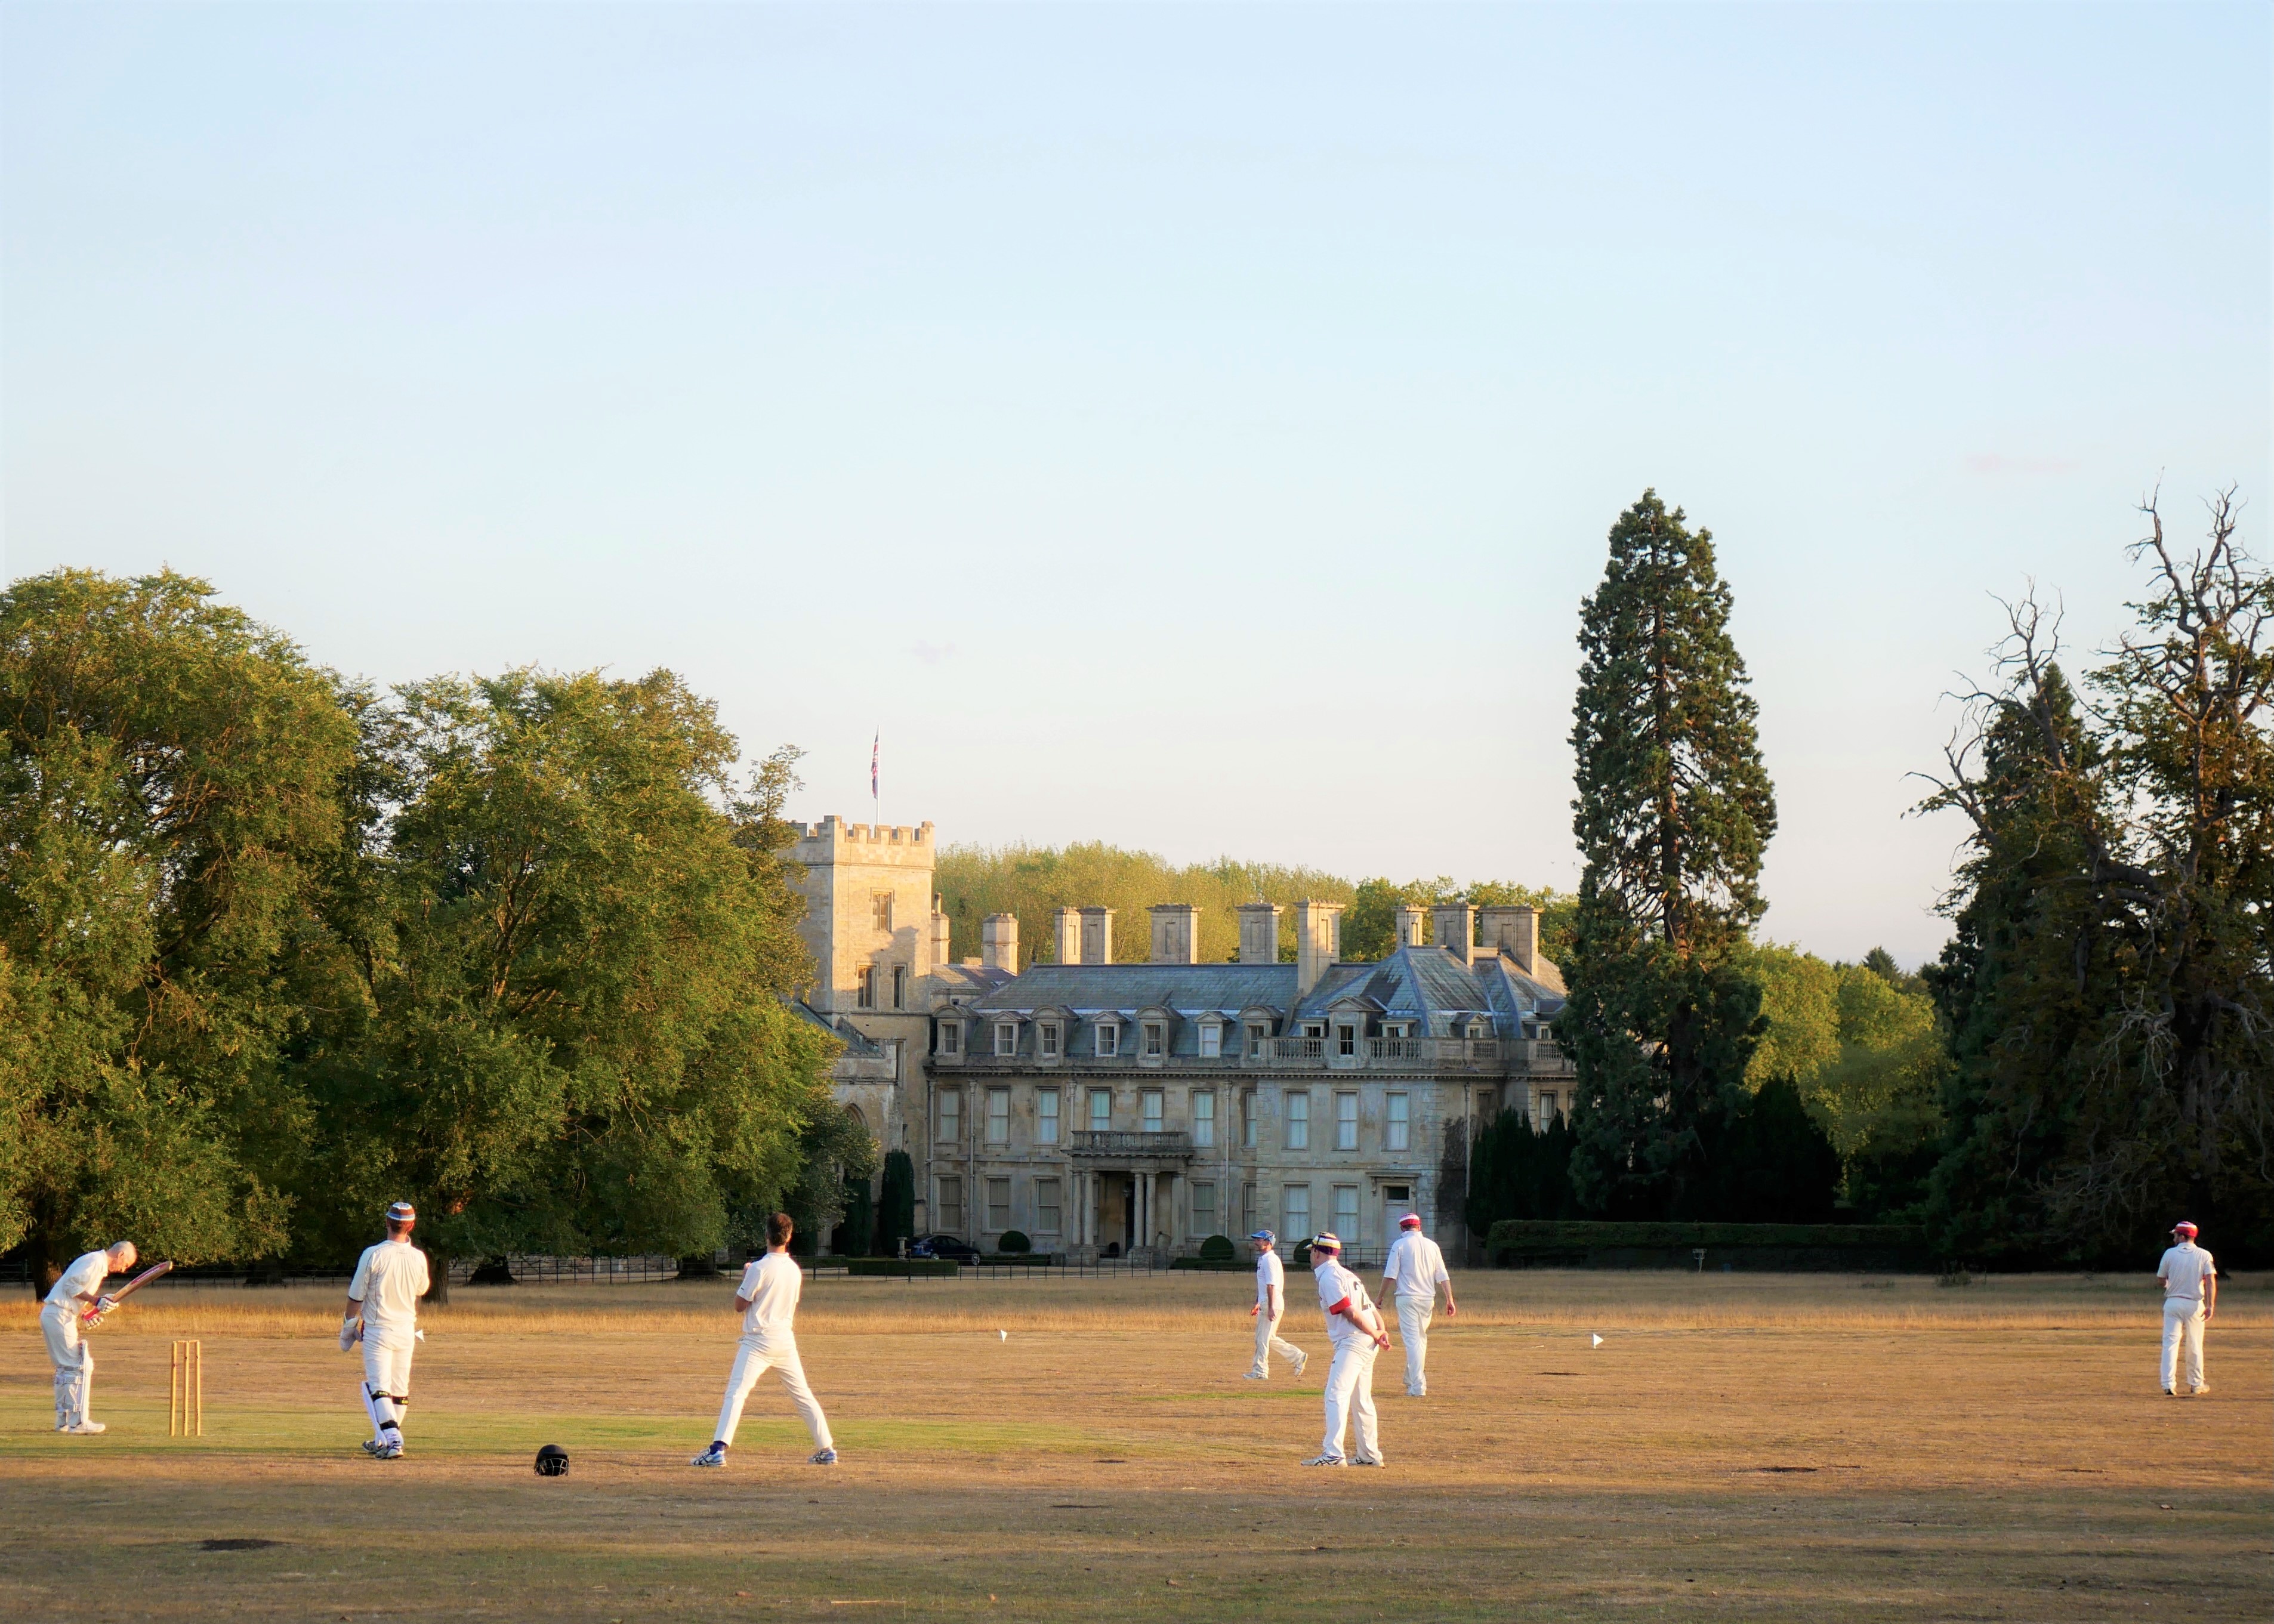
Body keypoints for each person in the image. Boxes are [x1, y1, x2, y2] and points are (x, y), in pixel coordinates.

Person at [692, 1212, 838, 1468]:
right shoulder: (794, 1270)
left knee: (736, 1393)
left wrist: (747, 1274)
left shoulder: (758, 1268)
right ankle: (826, 1449)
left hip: (758, 1341)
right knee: (803, 1395)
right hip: (784, 1339)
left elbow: (739, 1305)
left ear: (767, 1235)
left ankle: (717, 1450)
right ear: (789, 1236)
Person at [344, 1201, 431, 1460]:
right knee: (399, 1389)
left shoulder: (374, 1254)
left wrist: (349, 1324)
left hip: (378, 1329)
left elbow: (356, 1296)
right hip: (406, 1330)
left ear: (386, 1223)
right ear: (412, 1226)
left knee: (380, 1388)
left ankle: (393, 1441)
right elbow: (421, 1289)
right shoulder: (418, 1257)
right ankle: (384, 1439)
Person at [1304, 1232, 1390, 1468]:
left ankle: (1333, 1454)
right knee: (1361, 1399)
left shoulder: (1329, 1277)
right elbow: (1371, 1308)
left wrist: (1375, 1334)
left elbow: (1349, 1312)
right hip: (1366, 1340)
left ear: (1317, 1253)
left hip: (1353, 1341)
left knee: (1336, 1394)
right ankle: (1369, 1455)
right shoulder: (1347, 1274)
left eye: (1312, 1252)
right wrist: (1380, 1332)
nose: (1311, 1256)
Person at [42, 1240, 136, 1434]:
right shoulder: (95, 1261)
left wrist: (87, 1312)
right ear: (120, 1256)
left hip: (57, 1314)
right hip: (60, 1315)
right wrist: (96, 1300)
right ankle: (78, 1423)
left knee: (66, 1369)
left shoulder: (95, 1263)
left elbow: (73, 1291)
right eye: (125, 1264)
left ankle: (63, 1421)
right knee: (79, 1367)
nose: (123, 1270)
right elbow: (69, 1285)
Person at [1380, 1212, 1457, 1397]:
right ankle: (1410, 1380)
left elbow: (1390, 1275)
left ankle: (1418, 1386)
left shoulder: (1399, 1245)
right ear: (1419, 1227)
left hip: (1407, 1299)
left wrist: (1379, 1298)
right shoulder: (1432, 1246)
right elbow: (1443, 1276)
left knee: (1414, 1341)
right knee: (1420, 1341)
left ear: (1402, 1228)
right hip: (1427, 1300)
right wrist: (1450, 1300)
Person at [2155, 1220, 2217, 1397]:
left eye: (2176, 1235)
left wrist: (2170, 1286)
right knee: (2195, 1344)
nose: (2174, 1238)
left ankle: (2168, 1384)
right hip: (2194, 1304)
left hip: (2173, 1302)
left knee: (2170, 1344)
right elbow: (2211, 1280)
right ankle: (2196, 1384)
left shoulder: (2169, 1254)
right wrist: (2211, 1305)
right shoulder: (2204, 1255)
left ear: (2182, 1236)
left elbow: (2161, 1279)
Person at [1245, 1230, 1309, 1381]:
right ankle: (1298, 1356)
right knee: (1268, 1337)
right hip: (1268, 1302)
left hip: (1272, 1302)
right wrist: (1258, 1303)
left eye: (1259, 1240)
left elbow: (1271, 1285)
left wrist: (1271, 1306)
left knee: (1261, 1339)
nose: (1256, 1242)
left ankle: (1260, 1372)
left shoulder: (1270, 1260)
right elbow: (1263, 1285)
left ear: (1268, 1242)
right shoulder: (1264, 1259)